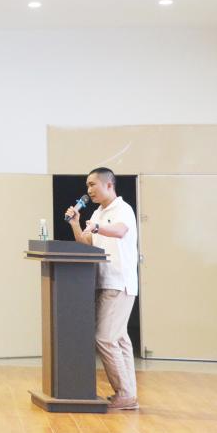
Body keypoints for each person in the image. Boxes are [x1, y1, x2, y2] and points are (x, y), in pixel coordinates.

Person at [66, 167, 140, 410]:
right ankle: (128, 394)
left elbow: (119, 231)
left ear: (109, 185)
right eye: (87, 186)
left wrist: (97, 227)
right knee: (119, 339)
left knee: (105, 338)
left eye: (92, 185)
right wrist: (76, 224)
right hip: (104, 282)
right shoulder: (97, 212)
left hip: (119, 283)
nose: (88, 190)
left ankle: (125, 394)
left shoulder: (123, 209)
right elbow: (86, 242)